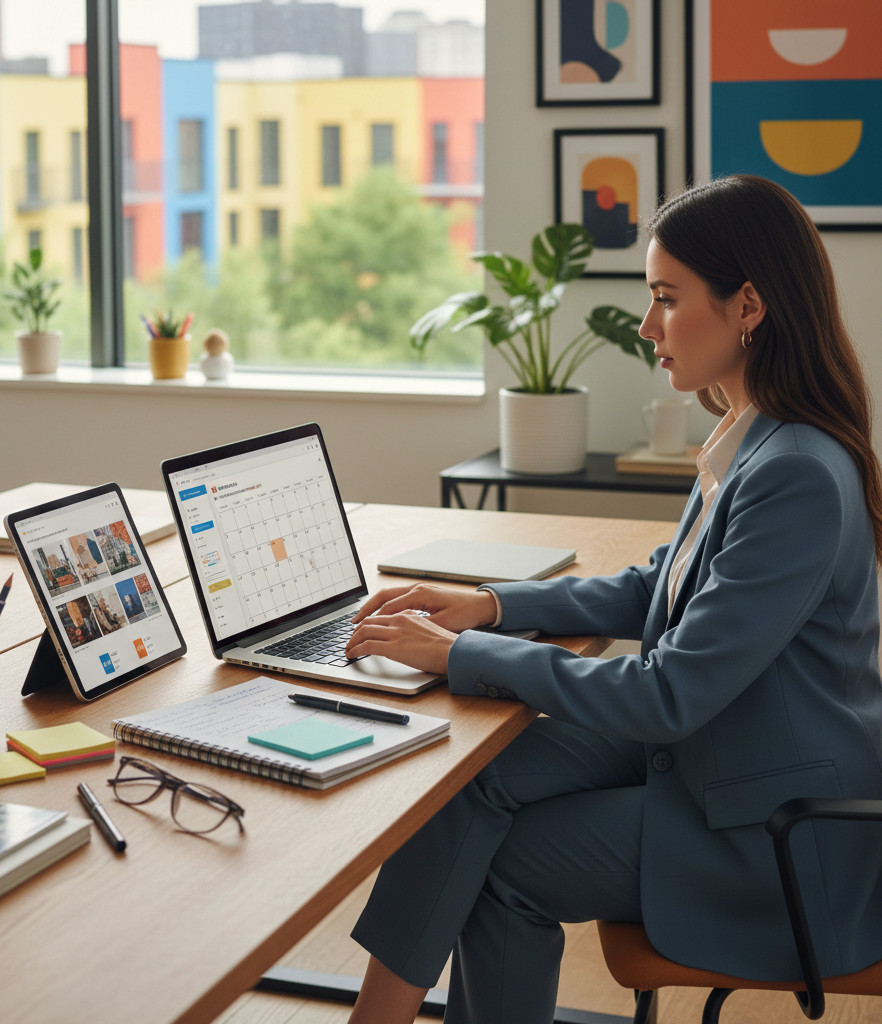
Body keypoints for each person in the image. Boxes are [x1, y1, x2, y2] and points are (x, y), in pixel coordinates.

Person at [341, 175, 882, 1024]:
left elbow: (667, 694)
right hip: (720, 752)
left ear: (748, 305)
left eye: (667, 298)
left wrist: (462, 655)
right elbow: (657, 586)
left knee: (503, 868)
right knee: (468, 783)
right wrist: (490, 608)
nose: (646, 325)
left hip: (772, 832)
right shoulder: (753, 437)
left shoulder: (796, 475)